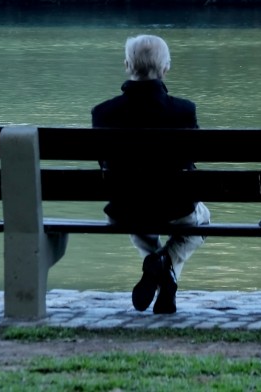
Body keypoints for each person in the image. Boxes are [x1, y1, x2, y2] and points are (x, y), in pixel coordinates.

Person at [91, 34, 210, 315]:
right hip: (175, 207)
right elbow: (190, 160)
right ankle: (165, 265)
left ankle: (159, 267)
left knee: (136, 215)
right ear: (166, 68)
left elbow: (103, 163)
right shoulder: (183, 111)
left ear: (126, 65)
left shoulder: (103, 113)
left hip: (124, 208)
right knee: (202, 219)